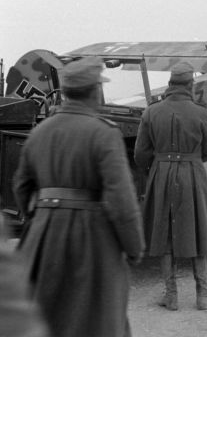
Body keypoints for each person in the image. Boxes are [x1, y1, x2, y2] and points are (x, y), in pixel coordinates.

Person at [13, 58, 145, 337]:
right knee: (94, 322)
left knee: (45, 321)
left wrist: (41, 221)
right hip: (90, 242)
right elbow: (122, 201)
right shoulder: (104, 133)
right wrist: (134, 248)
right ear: (95, 91)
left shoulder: (39, 132)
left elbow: (21, 187)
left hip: (42, 240)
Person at [134, 63, 207, 311]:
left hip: (161, 174)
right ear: (190, 85)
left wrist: (159, 165)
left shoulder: (151, 112)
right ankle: (203, 294)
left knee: (164, 233)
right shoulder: (200, 112)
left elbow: (141, 154)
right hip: (192, 173)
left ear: (170, 84)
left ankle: (171, 295)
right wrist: (191, 159)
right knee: (198, 229)